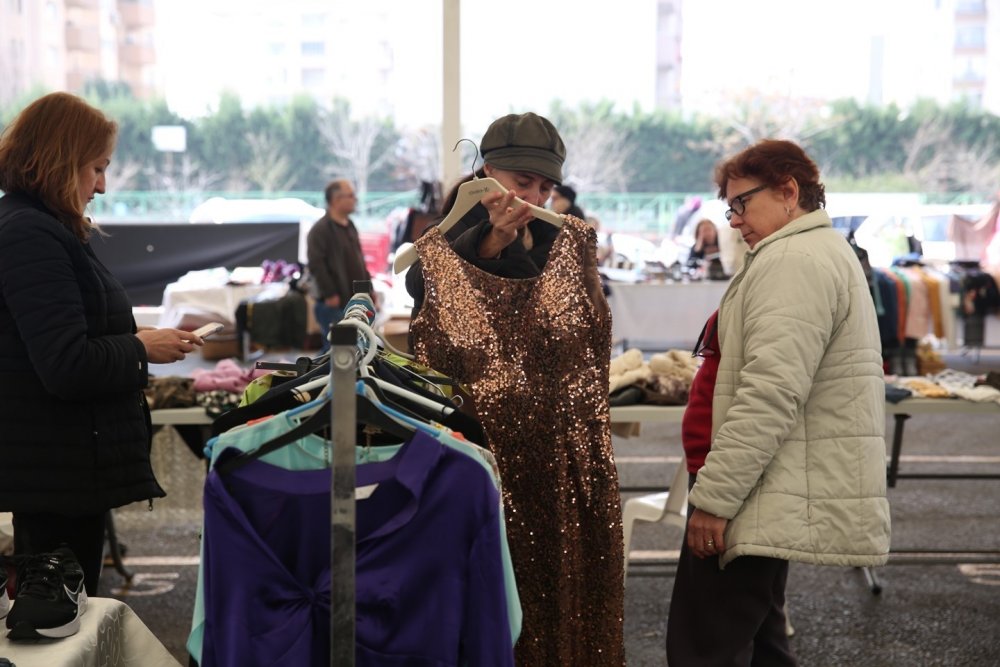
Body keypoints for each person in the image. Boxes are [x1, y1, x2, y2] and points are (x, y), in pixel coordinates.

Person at [405, 111, 625, 666]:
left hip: (565, 468)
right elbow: (430, 289)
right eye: (522, 182)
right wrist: (490, 246)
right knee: (483, 613)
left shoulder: (571, 245)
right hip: (473, 467)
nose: (534, 196)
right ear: (486, 172)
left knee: (562, 617)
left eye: (546, 187)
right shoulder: (437, 250)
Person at [666, 139, 891, 665]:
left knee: (706, 648)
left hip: (754, 488)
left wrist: (716, 499)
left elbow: (770, 393)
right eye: (729, 208)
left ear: (789, 192)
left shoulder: (794, 259)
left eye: (741, 204)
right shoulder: (802, 251)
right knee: (759, 640)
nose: (734, 220)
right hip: (764, 483)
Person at [0, 92, 205, 609]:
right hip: (53, 477)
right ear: (59, 160)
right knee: (55, 625)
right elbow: (66, 365)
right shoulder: (30, 235)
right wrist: (141, 348)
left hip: (60, 473)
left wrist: (143, 342)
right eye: (96, 168)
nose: (102, 185)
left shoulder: (45, 230)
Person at [306, 179, 372, 352]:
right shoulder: (320, 230)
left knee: (353, 350)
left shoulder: (350, 226)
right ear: (336, 200)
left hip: (353, 302)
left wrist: (369, 290)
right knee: (337, 351)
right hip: (333, 303)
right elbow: (316, 264)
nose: (355, 199)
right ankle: (311, 377)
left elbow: (359, 260)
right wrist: (330, 293)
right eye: (350, 195)